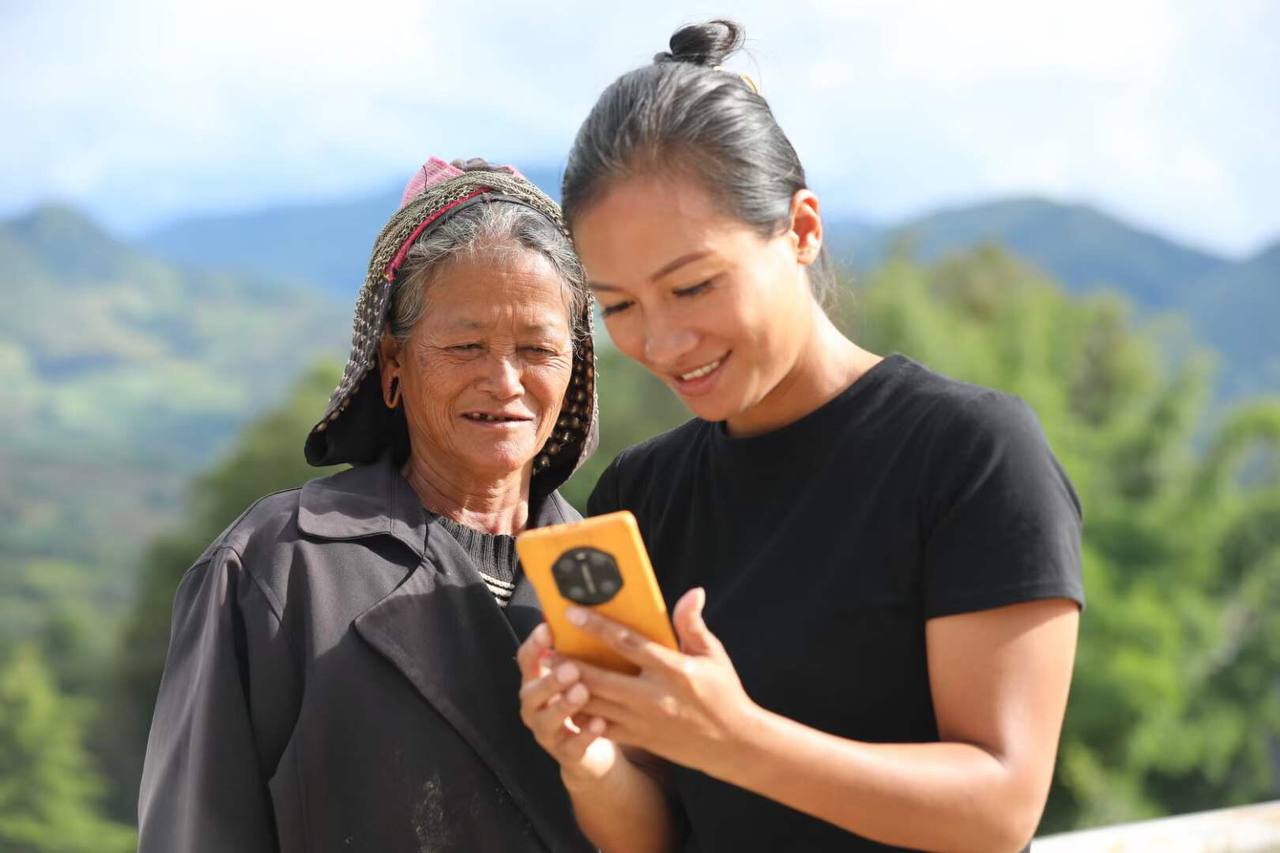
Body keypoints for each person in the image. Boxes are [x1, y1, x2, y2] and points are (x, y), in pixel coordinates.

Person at [517, 21, 1084, 853]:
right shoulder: (640, 499)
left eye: (695, 285)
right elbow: (655, 839)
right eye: (621, 307)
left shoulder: (970, 453)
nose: (664, 343)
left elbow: (997, 810)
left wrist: (734, 738)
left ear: (802, 230)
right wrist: (591, 758)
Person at [139, 157, 597, 852]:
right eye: (465, 345)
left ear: (575, 366)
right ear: (392, 365)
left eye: (537, 347)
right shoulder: (276, 567)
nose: (504, 381)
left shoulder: (604, 571)